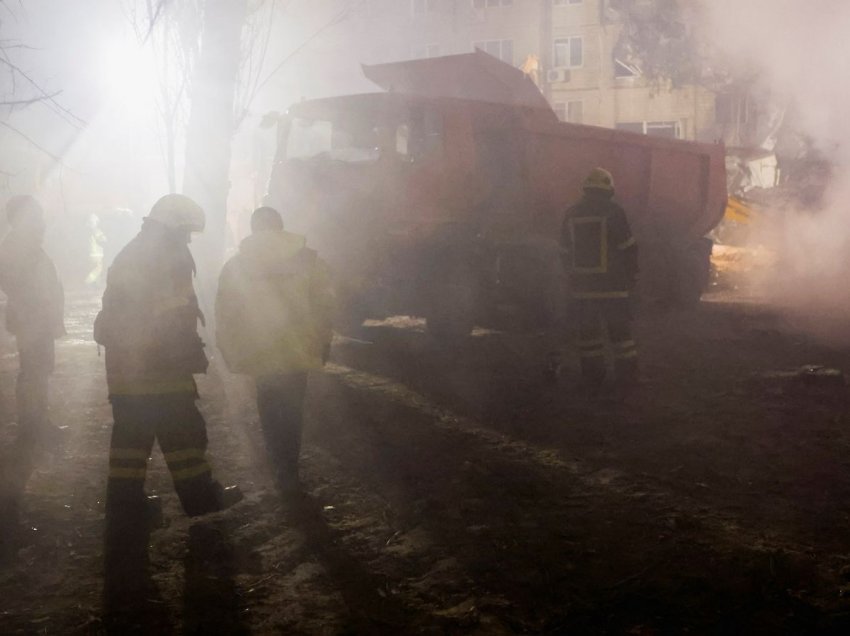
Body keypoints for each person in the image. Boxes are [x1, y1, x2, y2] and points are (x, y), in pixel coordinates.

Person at [94, 194, 242, 554]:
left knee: (130, 444)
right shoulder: (166, 257)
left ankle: (126, 510)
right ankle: (202, 500)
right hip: (159, 369)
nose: (190, 239)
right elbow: (172, 316)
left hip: (128, 372)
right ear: (175, 227)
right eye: (187, 232)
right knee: (184, 437)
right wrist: (187, 353)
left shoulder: (135, 250)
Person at [215, 206, 333, 492]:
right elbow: (325, 305)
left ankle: (278, 467)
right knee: (292, 411)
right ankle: (289, 469)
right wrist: (323, 341)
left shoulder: (238, 264)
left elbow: (226, 312)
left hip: (260, 351)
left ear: (254, 229)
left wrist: (228, 349)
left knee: (268, 410)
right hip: (298, 349)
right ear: (281, 227)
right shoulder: (310, 260)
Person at [561, 168, 639, 393]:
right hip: (613, 288)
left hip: (582, 289)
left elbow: (564, 250)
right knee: (621, 337)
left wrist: (570, 278)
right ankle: (626, 379)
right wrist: (632, 276)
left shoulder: (571, 213)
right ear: (609, 190)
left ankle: (593, 378)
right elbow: (628, 248)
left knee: (588, 337)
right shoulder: (614, 212)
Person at [0, 195, 65, 447]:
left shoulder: (23, 244)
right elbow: (16, 282)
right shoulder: (17, 246)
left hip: (37, 317)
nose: (41, 220)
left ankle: (37, 423)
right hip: (32, 318)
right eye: (36, 215)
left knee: (39, 371)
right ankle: (32, 427)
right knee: (34, 372)